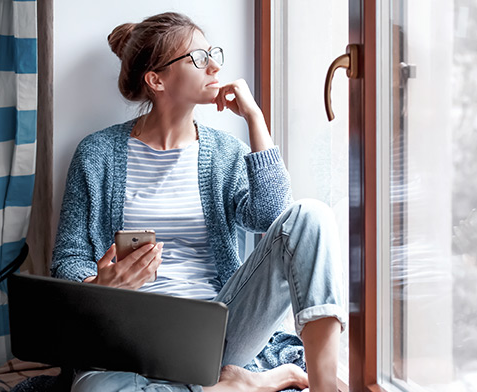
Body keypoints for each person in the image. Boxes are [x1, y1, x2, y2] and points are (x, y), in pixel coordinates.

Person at [51, 12, 347, 392]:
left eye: (214, 54)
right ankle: (239, 386)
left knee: (312, 215)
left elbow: (274, 220)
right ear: (156, 80)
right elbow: (68, 258)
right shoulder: (96, 154)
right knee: (91, 390)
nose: (216, 66)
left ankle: (324, 386)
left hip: (219, 331)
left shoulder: (224, 153)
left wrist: (254, 119)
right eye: (199, 58)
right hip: (126, 337)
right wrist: (100, 284)